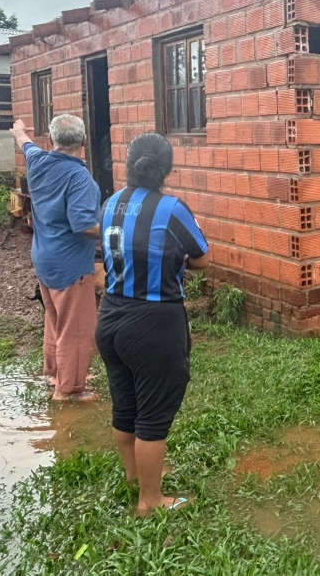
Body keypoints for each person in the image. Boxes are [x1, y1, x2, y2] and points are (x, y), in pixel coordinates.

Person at [95, 132, 208, 514]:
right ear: (167, 169)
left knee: (125, 406)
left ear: (128, 165)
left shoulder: (110, 203)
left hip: (110, 317)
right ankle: (151, 500)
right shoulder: (172, 208)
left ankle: (134, 478)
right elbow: (202, 258)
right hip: (154, 324)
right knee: (154, 414)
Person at [11, 115, 101, 402]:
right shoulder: (78, 178)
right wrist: (115, 228)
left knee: (55, 320)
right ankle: (70, 390)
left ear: (51, 141)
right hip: (70, 265)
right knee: (76, 330)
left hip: (44, 258)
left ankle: (54, 374)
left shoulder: (37, 161)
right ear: (83, 143)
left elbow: (25, 143)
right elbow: (85, 226)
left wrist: (18, 130)